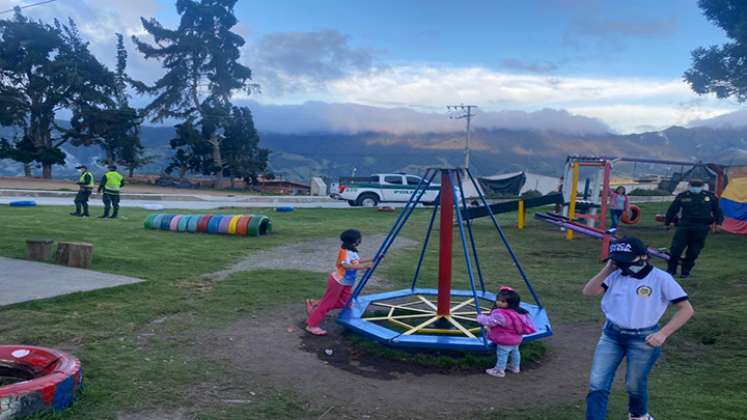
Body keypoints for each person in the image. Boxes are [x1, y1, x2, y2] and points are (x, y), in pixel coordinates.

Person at [582, 237, 694, 420]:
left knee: (634, 384)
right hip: (612, 335)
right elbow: (589, 292)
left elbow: (686, 309)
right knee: (597, 383)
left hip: (644, 339)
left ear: (643, 256)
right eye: (617, 260)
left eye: (626, 260)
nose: (622, 265)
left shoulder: (661, 278)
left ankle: (638, 414)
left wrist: (663, 334)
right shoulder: (615, 274)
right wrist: (608, 268)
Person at [305, 229, 376, 336]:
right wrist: (364, 266)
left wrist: (372, 259)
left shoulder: (352, 251)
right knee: (328, 304)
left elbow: (355, 261)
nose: (360, 240)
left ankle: (314, 304)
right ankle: (311, 325)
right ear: (354, 240)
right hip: (338, 281)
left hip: (347, 282)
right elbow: (345, 265)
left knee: (346, 303)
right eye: (359, 238)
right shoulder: (344, 251)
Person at [665, 179, 723, 278]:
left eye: (698, 186)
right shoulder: (683, 196)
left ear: (702, 186)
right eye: (693, 185)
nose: (695, 188)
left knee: (694, 251)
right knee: (676, 249)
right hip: (685, 225)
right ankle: (671, 270)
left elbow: (717, 211)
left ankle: (686, 271)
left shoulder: (710, 196)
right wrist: (669, 222)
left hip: (701, 227)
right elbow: (673, 209)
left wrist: (718, 223)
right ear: (689, 185)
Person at [477, 286, 536, 378]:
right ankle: (515, 367)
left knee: (502, 354)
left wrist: (480, 317)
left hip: (504, 340)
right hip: (516, 338)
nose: (499, 302)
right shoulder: (518, 312)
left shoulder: (501, 315)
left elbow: (490, 322)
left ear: (510, 302)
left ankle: (499, 371)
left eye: (503, 301)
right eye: (498, 300)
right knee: (515, 352)